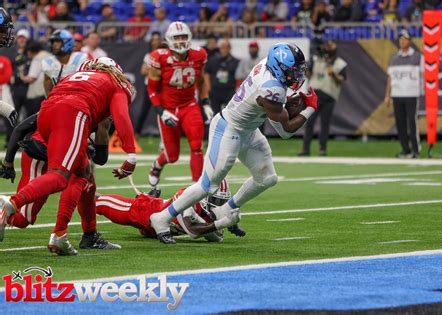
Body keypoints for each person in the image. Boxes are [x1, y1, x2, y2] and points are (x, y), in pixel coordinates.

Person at [149, 43, 318, 244]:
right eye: (292, 71)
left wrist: (292, 105)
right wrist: (310, 109)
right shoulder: (271, 88)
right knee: (206, 185)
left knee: (267, 178)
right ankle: (161, 218)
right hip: (228, 128)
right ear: (279, 67)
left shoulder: (268, 69)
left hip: (247, 129)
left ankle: (226, 209)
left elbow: (279, 115)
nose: (297, 75)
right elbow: (286, 130)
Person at [0, 57, 137, 247]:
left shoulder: (73, 81)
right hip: (49, 143)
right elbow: (108, 144)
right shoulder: (111, 85)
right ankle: (11, 203)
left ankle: (79, 235)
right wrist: (130, 155)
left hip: (52, 120)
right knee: (56, 181)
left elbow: (33, 122)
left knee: (84, 173)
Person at [146, 22, 212, 185]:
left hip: (189, 106)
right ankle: (157, 165)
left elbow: (201, 81)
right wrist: (161, 111)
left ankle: (197, 191)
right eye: (176, 37)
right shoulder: (159, 57)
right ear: (169, 39)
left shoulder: (199, 55)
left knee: (197, 147)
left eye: (183, 37)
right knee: (172, 155)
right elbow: (152, 89)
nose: (180, 41)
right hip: (168, 108)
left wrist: (205, 102)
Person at [96, 180, 232, 242]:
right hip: (142, 211)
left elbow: (215, 238)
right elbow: (193, 231)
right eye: (216, 201)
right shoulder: (187, 197)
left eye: (221, 201)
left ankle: (152, 196)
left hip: (154, 231)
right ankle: (76, 186)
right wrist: (221, 224)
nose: (218, 206)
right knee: (97, 202)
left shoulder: (209, 212)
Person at [299, 40, 347, 156]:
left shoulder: (339, 63)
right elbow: (309, 75)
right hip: (315, 94)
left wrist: (334, 75)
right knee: (310, 121)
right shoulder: (316, 59)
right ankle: (305, 149)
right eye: (327, 45)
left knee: (325, 123)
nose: (328, 47)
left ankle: (322, 149)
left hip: (329, 95)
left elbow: (343, 78)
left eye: (331, 45)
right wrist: (305, 70)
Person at [385, 30, 422, 158]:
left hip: (412, 94)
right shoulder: (394, 58)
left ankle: (416, 150)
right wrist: (387, 95)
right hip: (397, 94)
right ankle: (405, 149)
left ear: (410, 41)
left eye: (405, 38)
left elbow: (424, 75)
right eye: (401, 38)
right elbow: (390, 78)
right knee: (400, 123)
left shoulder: (417, 57)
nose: (402, 41)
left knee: (412, 122)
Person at [42, 29, 90, 95]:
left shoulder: (81, 58)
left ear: (68, 42)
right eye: (53, 42)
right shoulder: (48, 62)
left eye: (58, 42)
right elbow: (48, 91)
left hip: (79, 97)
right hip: (59, 99)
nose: (54, 45)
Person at [137, 31, 162, 134]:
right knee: (144, 110)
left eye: (157, 40)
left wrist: (152, 70)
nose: (155, 42)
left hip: (162, 86)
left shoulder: (164, 54)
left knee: (163, 111)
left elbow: (164, 72)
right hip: (150, 86)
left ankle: (166, 132)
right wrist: (157, 70)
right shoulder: (148, 55)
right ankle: (136, 132)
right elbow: (143, 71)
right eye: (153, 40)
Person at [206, 39, 240, 114]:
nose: (224, 49)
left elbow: (239, 77)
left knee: (230, 113)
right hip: (215, 90)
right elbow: (207, 73)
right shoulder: (213, 60)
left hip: (229, 91)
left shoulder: (235, 61)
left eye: (226, 47)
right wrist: (208, 87)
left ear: (229, 48)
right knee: (214, 113)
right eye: (222, 47)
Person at [21, 41, 51, 117]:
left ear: (31, 51)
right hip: (49, 91)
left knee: (35, 120)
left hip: (37, 94)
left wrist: (22, 76)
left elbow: (32, 78)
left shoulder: (37, 58)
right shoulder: (49, 55)